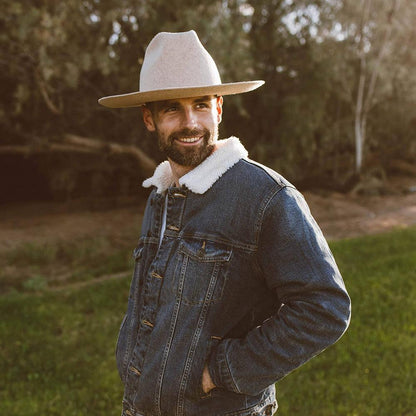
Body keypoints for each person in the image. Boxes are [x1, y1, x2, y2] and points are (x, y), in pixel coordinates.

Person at [99, 30, 351, 416]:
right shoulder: (161, 192)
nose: (190, 122)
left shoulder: (265, 197)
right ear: (149, 118)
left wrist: (219, 372)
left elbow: (324, 308)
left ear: (219, 108)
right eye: (172, 109)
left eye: (201, 105)